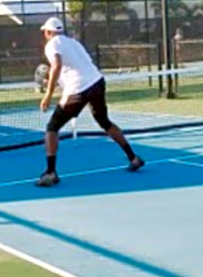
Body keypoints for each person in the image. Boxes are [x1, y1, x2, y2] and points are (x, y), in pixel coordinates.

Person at [36, 17, 145, 187]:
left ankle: (50, 172)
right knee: (104, 121)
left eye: (45, 31)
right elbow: (79, 68)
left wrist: (47, 95)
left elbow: (57, 66)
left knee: (52, 127)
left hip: (80, 89)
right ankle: (134, 158)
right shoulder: (74, 43)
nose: (44, 34)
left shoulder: (51, 45)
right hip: (97, 82)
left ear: (49, 32)